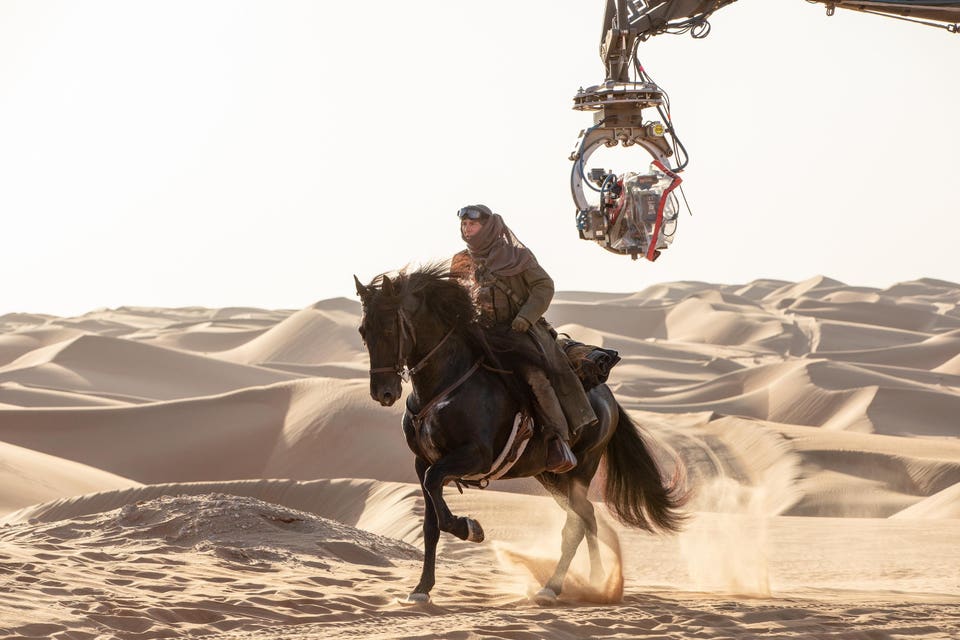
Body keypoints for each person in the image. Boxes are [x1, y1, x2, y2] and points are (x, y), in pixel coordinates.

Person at [451, 204, 598, 474]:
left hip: (517, 332)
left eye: (472, 224)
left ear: (489, 226)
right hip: (478, 334)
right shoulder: (461, 260)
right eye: (464, 225)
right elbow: (453, 297)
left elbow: (544, 286)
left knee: (537, 379)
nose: (467, 229)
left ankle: (558, 441)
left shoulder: (516, 256)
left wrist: (525, 317)